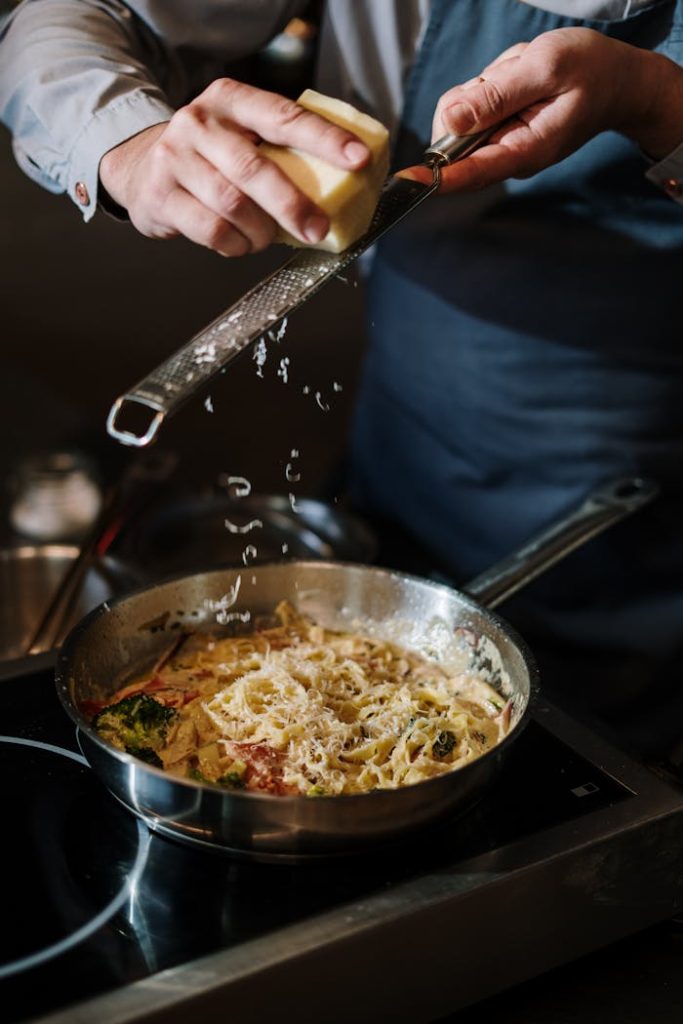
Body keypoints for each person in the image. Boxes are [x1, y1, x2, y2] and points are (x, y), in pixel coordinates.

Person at [2, 1, 682, 761]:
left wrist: (655, 98)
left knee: (591, 769)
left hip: (633, 449)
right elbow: (65, 19)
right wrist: (123, 143)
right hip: (401, 403)